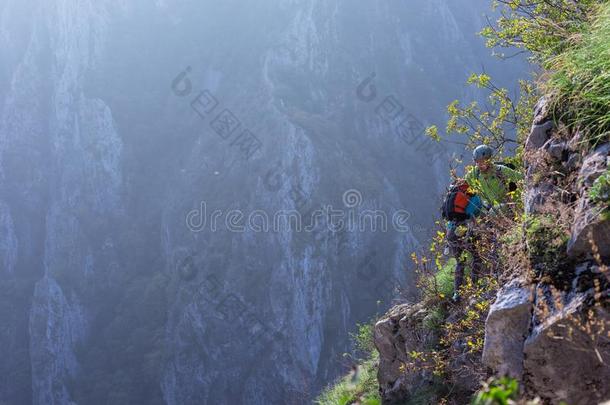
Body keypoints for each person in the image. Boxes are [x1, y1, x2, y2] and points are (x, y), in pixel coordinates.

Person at [442, 179, 484, 302]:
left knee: (460, 262)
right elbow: (472, 214)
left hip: (451, 232)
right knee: (477, 256)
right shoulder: (474, 196)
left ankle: (457, 294)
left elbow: (447, 219)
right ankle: (475, 287)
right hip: (465, 229)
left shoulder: (451, 198)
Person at [465, 145, 524, 213]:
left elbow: (520, 177)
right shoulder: (475, 174)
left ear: (489, 159)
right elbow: (464, 183)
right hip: (491, 207)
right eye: (477, 162)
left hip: (509, 204)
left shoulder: (500, 170)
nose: (480, 164)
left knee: (493, 212)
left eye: (483, 161)